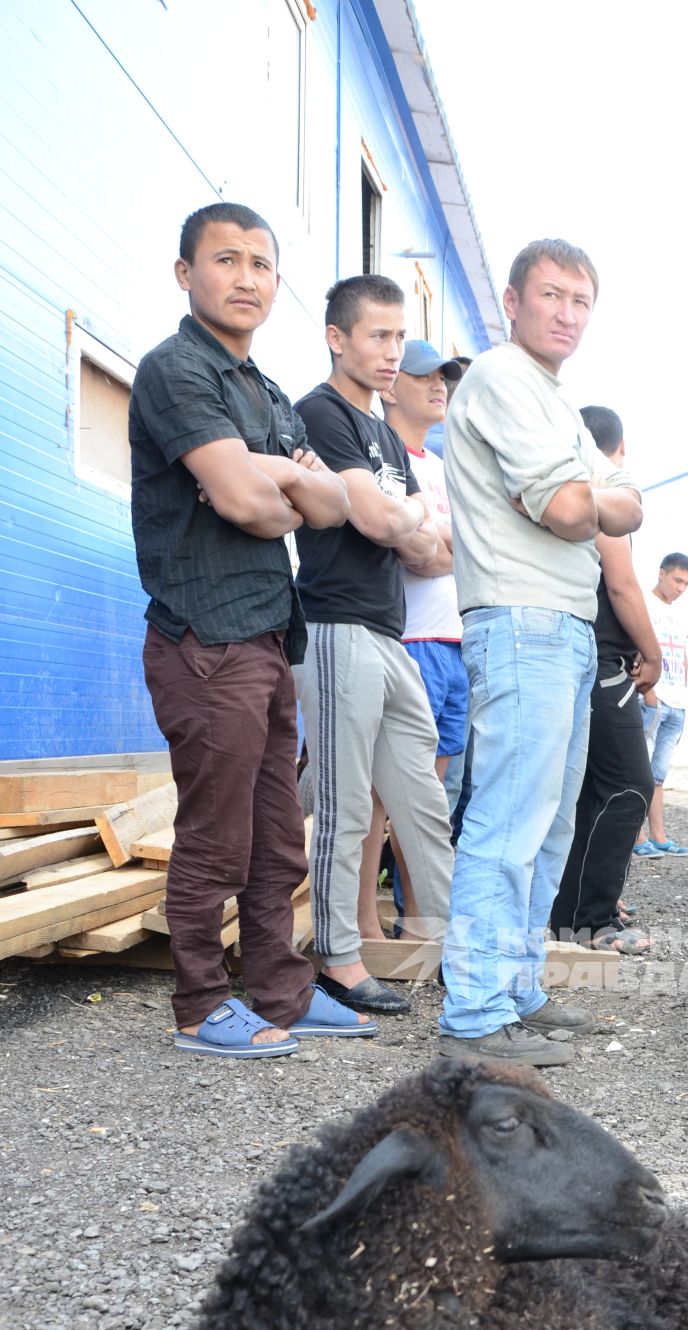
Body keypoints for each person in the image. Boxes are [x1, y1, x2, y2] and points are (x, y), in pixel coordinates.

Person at [129, 201, 377, 1059]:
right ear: (185, 273)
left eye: (261, 264)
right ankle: (200, 1007)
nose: (246, 277)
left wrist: (263, 477)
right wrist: (274, 486)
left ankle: (279, 989)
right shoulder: (175, 371)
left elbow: (335, 505)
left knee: (278, 835)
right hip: (205, 639)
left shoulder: (267, 391)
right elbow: (247, 503)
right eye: (226, 259)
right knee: (216, 835)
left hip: (271, 635)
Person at [438, 238, 642, 1067]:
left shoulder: (556, 398)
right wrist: (599, 498)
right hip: (520, 620)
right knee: (507, 822)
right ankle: (476, 1014)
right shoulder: (501, 378)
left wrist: (599, 499)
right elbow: (571, 509)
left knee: (550, 825)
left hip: (562, 625)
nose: (566, 313)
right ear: (513, 301)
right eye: (551, 295)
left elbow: (625, 506)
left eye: (580, 300)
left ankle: (516, 989)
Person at [293, 276, 456, 1017]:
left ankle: (462, 949)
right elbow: (386, 526)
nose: (392, 353)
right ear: (337, 337)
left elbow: (419, 544)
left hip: (389, 634)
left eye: (398, 337)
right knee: (345, 803)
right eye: (377, 336)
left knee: (422, 799)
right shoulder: (320, 413)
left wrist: (401, 514)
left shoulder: (386, 434)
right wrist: (406, 512)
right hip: (333, 626)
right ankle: (337, 958)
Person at [354, 339, 464, 941]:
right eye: (425, 375)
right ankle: (365, 925)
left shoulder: (443, 467)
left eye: (444, 376)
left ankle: (420, 920)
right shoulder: (387, 459)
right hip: (411, 638)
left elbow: (465, 549)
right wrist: (449, 545)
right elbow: (419, 556)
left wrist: (444, 541)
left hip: (453, 641)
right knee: (382, 795)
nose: (439, 385)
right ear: (392, 385)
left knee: (430, 797)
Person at [551, 404, 660, 955]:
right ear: (617, 448)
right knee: (628, 785)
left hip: (586, 661)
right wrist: (654, 653)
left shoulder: (566, 490)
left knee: (591, 793)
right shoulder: (601, 491)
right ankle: (588, 920)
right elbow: (622, 585)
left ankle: (575, 915)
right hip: (602, 664)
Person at [633, 553, 688, 857]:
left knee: (658, 776)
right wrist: (648, 691)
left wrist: (683, 692)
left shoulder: (680, 611)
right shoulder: (644, 601)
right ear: (662, 574)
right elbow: (636, 645)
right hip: (652, 699)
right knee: (639, 771)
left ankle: (659, 836)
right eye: (677, 580)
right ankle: (636, 836)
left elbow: (682, 652)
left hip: (677, 701)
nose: (681, 588)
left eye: (686, 582)